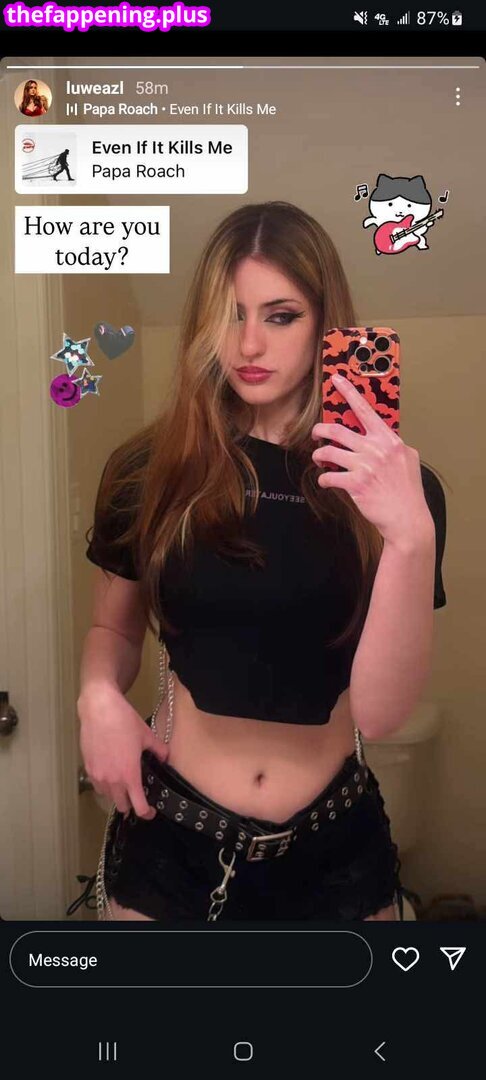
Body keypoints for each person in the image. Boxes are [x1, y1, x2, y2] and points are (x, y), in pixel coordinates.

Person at [77, 201, 447, 923]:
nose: (249, 343)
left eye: (281, 316)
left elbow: (383, 714)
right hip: (172, 839)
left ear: (325, 323)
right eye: (230, 315)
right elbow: (113, 630)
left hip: (334, 848)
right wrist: (97, 697)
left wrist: (410, 538)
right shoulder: (148, 471)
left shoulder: (396, 491)